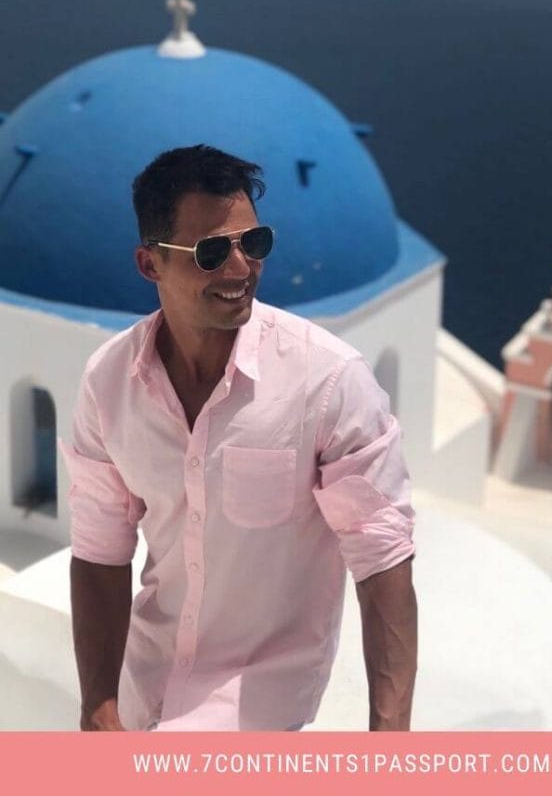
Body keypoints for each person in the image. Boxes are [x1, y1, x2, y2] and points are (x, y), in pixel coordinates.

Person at [63, 144, 417, 732]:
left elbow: (382, 560)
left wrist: (390, 742)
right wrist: (98, 707)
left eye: (253, 244)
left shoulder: (326, 381)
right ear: (150, 264)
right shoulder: (108, 382)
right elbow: (100, 551)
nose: (239, 269)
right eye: (210, 252)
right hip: (141, 691)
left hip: (264, 714)